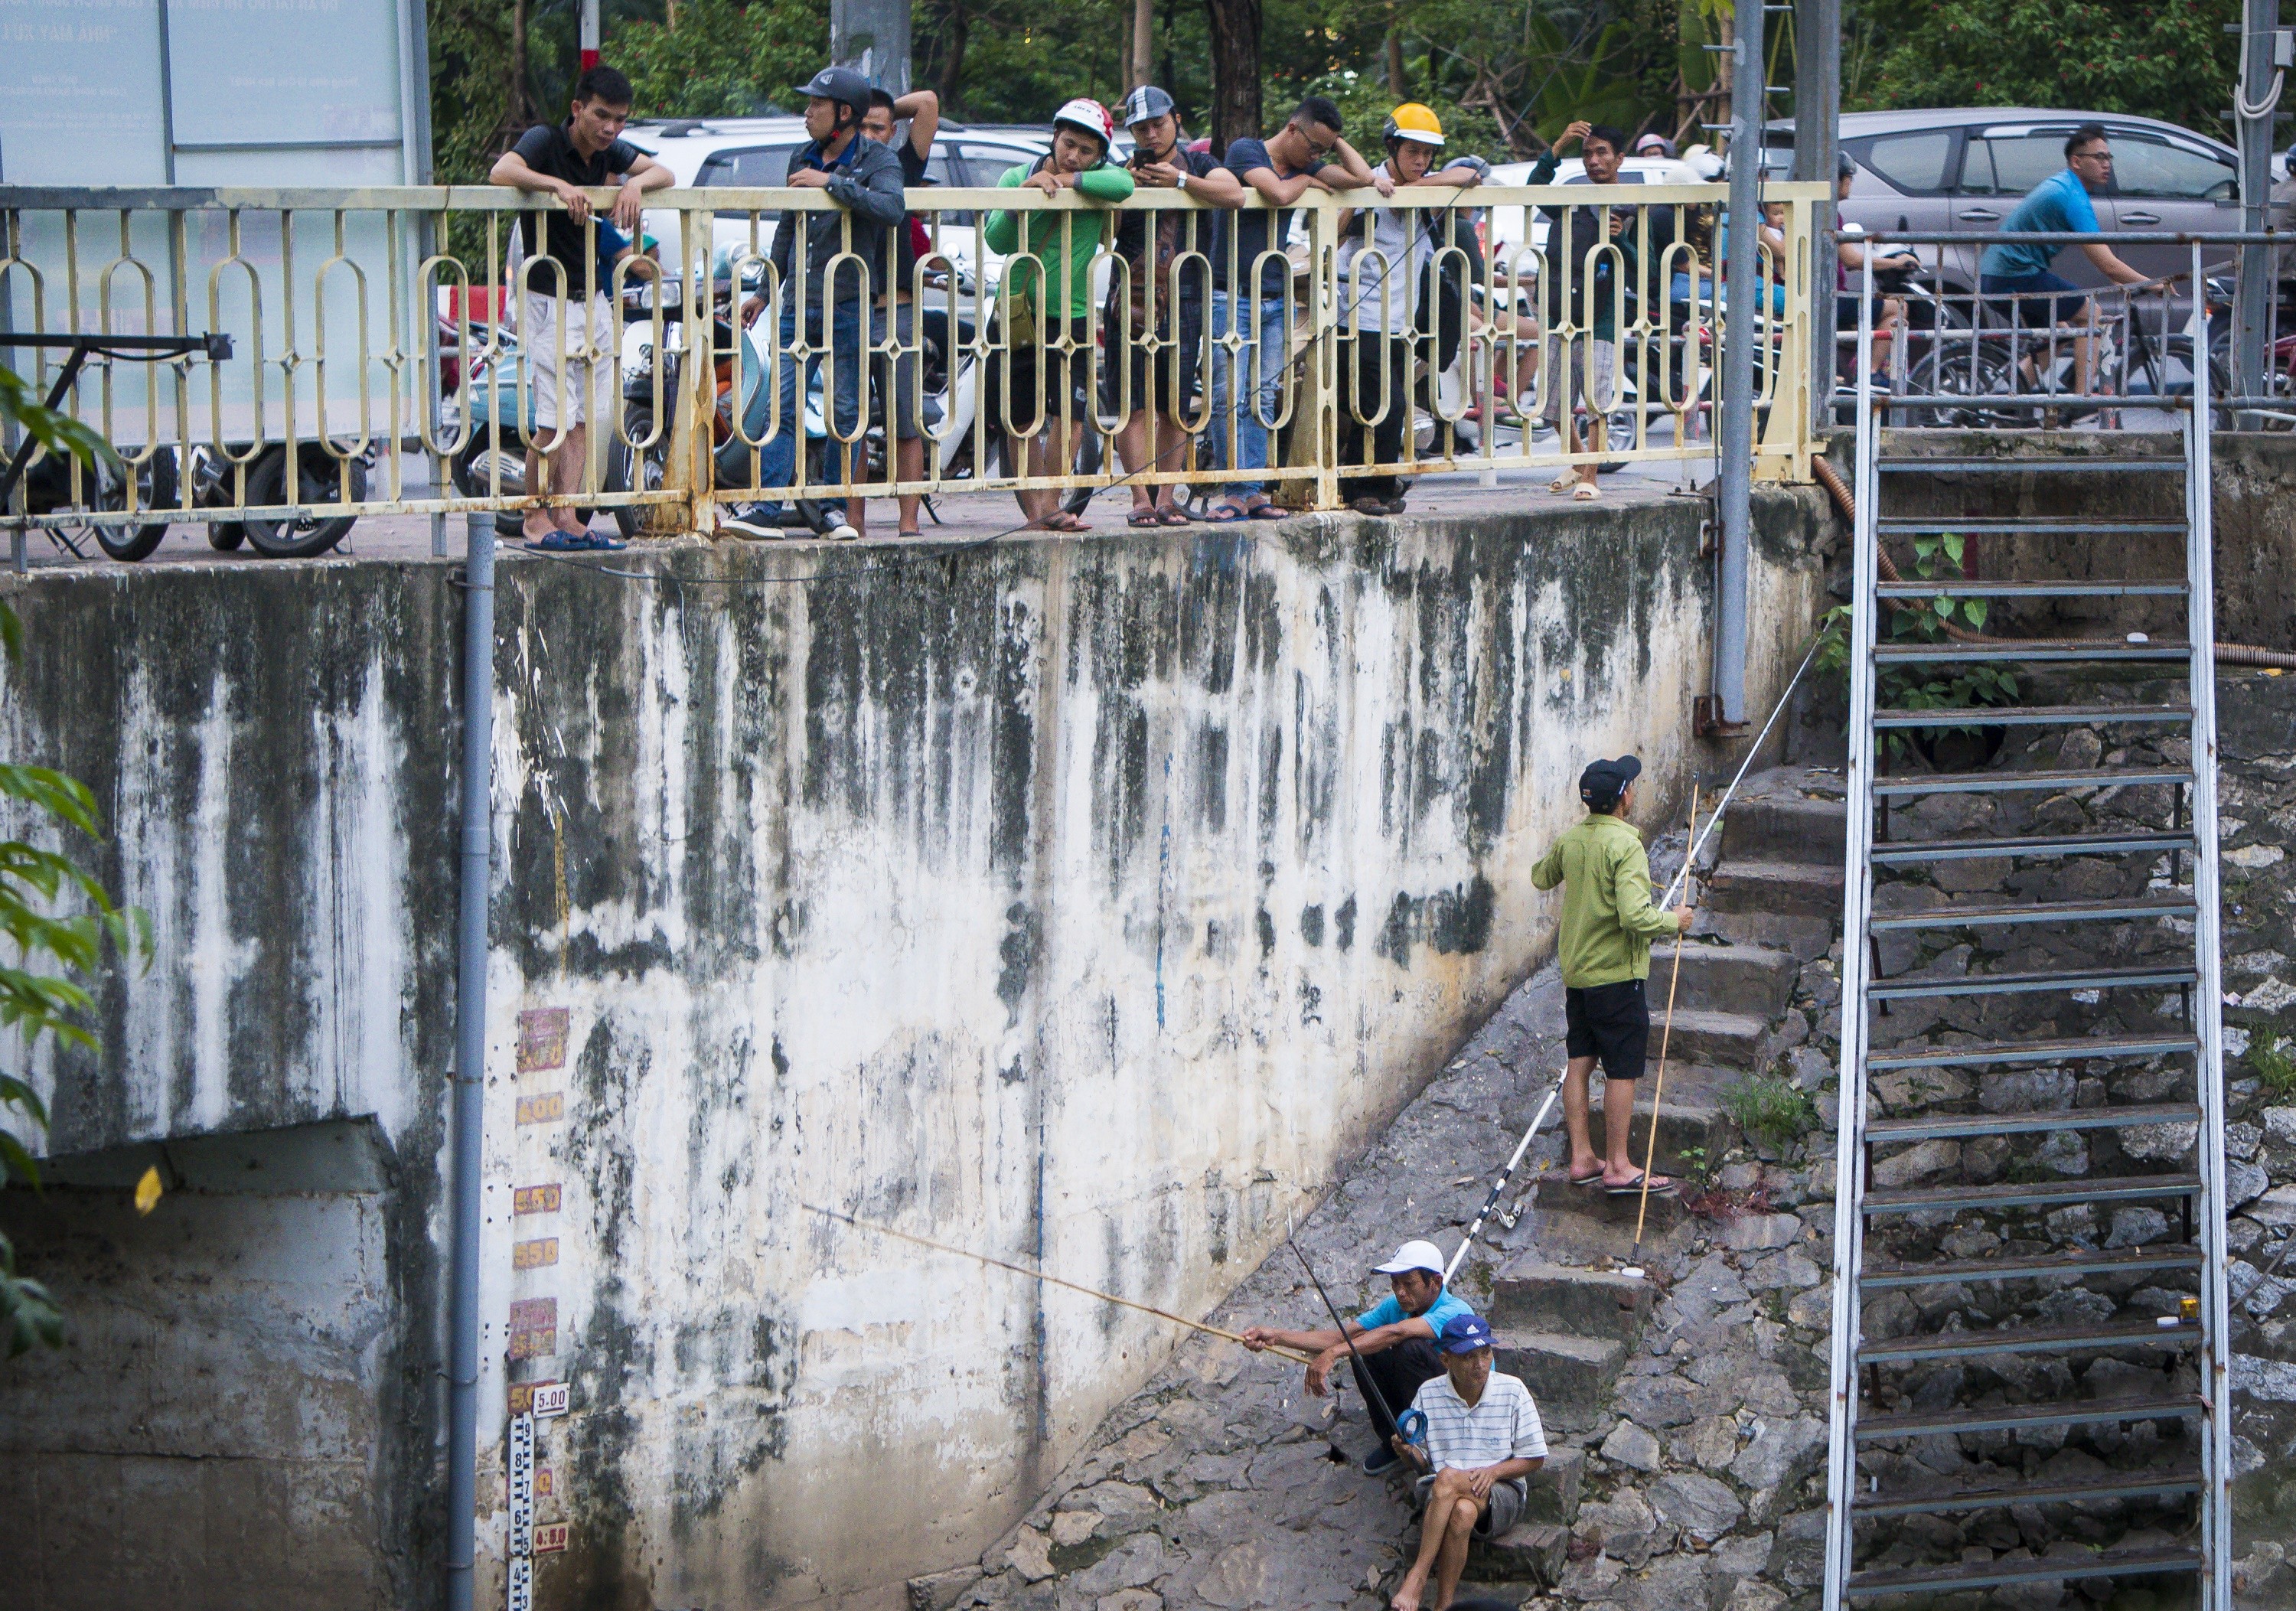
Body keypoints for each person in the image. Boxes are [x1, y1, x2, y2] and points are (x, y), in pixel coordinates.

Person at [489, 64, 673, 552]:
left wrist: (632, 186)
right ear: (578, 110)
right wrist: (557, 186)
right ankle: (534, 519)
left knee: (586, 417)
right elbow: (501, 171)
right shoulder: (545, 140)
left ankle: (566, 515)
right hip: (547, 297)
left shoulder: (610, 152)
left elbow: (663, 171)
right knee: (553, 418)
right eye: (601, 116)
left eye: (619, 119)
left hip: (590, 299)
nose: (610, 127)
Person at [717, 67, 905, 542]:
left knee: (845, 411)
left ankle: (832, 510)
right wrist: (764, 290)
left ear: (843, 113)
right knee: (782, 407)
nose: (806, 114)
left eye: (815, 106)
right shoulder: (802, 155)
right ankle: (768, 508)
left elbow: (891, 208)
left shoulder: (877, 159)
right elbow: (787, 225)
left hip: (848, 303)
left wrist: (830, 185)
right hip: (798, 302)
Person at [1206, 96, 1389, 523]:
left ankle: (1253, 490)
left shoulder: (1305, 161)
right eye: (1313, 147)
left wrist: (1336, 142)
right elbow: (1273, 193)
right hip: (1230, 292)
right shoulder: (1246, 150)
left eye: (1323, 151)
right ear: (1292, 128)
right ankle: (1235, 488)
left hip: (1275, 293)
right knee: (1228, 395)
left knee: (1263, 397)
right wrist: (1308, 183)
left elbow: (1364, 180)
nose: (1316, 157)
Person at [1529, 755, 1695, 1195]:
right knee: (1622, 1069)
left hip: (1578, 977)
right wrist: (1673, 921)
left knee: (1580, 1063)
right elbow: (1635, 916)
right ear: (1623, 797)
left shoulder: (1571, 840)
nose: (1634, 791)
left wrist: (1574, 854)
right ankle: (1619, 1164)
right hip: (1617, 977)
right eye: (1631, 786)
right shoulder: (1627, 846)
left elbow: (1540, 877)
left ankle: (1583, 1157)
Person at [982, 98, 1135, 532]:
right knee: (1022, 419)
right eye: (1068, 144)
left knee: (1069, 415)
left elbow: (1124, 185)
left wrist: (1070, 179)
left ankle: (1051, 506)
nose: (1074, 155)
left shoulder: (1097, 180)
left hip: (1074, 316)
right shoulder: (1017, 176)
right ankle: (1035, 515)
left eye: (1087, 151)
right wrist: (1022, 198)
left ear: (1100, 154)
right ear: (1054, 136)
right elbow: (996, 239)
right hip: (1019, 315)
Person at [1111, 86, 1244, 528]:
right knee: (1132, 402)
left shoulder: (1199, 163)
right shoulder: (1121, 170)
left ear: (1176, 121)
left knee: (1175, 402)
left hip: (1184, 296)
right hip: (1129, 293)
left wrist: (1179, 182)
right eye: (1141, 128)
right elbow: (1104, 227)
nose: (1151, 134)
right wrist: (1125, 184)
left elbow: (1234, 194)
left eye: (1158, 124)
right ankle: (1139, 498)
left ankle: (1167, 496)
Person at [1239, 1238, 1476, 1474]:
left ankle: (1427, 1441)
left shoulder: (1456, 1311)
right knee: (1363, 1351)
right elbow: (1339, 1337)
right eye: (1395, 1283)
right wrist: (1276, 1337)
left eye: (1409, 1284)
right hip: (1422, 1393)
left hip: (1460, 1404)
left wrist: (1333, 1354)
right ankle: (1395, 1438)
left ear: (1435, 1282)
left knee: (1409, 1347)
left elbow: (1397, 1332)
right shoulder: (1395, 1306)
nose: (1400, 1292)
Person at [1334, 104, 1454, 516]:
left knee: (1383, 407)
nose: (1420, 161)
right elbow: (1333, 233)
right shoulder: (1367, 186)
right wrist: (1372, 193)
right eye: (1412, 152)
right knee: (1385, 406)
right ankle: (1365, 488)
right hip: (1360, 317)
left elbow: (1471, 175)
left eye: (1427, 154)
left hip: (1400, 323)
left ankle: (1375, 487)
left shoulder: (1420, 187)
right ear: (1392, 148)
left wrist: (1418, 187)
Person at [1388, 1313, 1548, 1611]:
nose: (1480, 1364)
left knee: (1448, 1478)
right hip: (1441, 1495)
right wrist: (1408, 1453)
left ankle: (1417, 1577)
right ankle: (1444, 1606)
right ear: (1446, 1360)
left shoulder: (1513, 1390)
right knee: (1461, 1510)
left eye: (1485, 1353)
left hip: (1500, 1492)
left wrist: (1495, 1470)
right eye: (1468, 1357)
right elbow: (1423, 1463)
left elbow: (1535, 1457)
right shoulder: (1429, 1392)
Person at [1977, 124, 2151, 396]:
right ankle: (2082, 401)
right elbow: (2107, 262)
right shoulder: (2071, 197)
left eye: (2109, 157)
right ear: (2077, 161)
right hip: (2015, 276)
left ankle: (2009, 397)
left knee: (2062, 334)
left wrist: (2121, 281)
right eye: (2099, 157)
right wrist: (2153, 284)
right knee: (2091, 315)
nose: (2107, 164)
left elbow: (2103, 261)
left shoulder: (2066, 186)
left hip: (2003, 274)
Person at [1529, 122, 1638, 501]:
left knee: (1596, 403)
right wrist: (1557, 146)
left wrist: (1622, 237)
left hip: (1602, 316)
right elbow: (1533, 190)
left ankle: (1591, 475)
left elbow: (1648, 272)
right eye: (1588, 153)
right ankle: (1578, 462)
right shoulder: (1571, 198)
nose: (1594, 160)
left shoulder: (1632, 206)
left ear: (1619, 158)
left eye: (1602, 152)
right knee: (1554, 402)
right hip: (1560, 310)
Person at [861, 86, 942, 538]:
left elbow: (927, 103)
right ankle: (853, 521)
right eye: (862, 126)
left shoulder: (902, 165)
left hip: (900, 310)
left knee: (907, 422)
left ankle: (908, 523)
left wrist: (876, 104)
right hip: (852, 307)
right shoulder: (840, 164)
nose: (871, 135)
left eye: (880, 127)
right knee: (849, 424)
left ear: (893, 130)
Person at [1831, 151, 1917, 390]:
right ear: (1840, 179)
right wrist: (1896, 262)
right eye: (1849, 177)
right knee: (1899, 307)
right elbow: (1854, 260)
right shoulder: (1829, 214)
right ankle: (1869, 373)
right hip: (1828, 298)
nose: (1850, 183)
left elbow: (1848, 261)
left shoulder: (1823, 211)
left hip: (1824, 294)